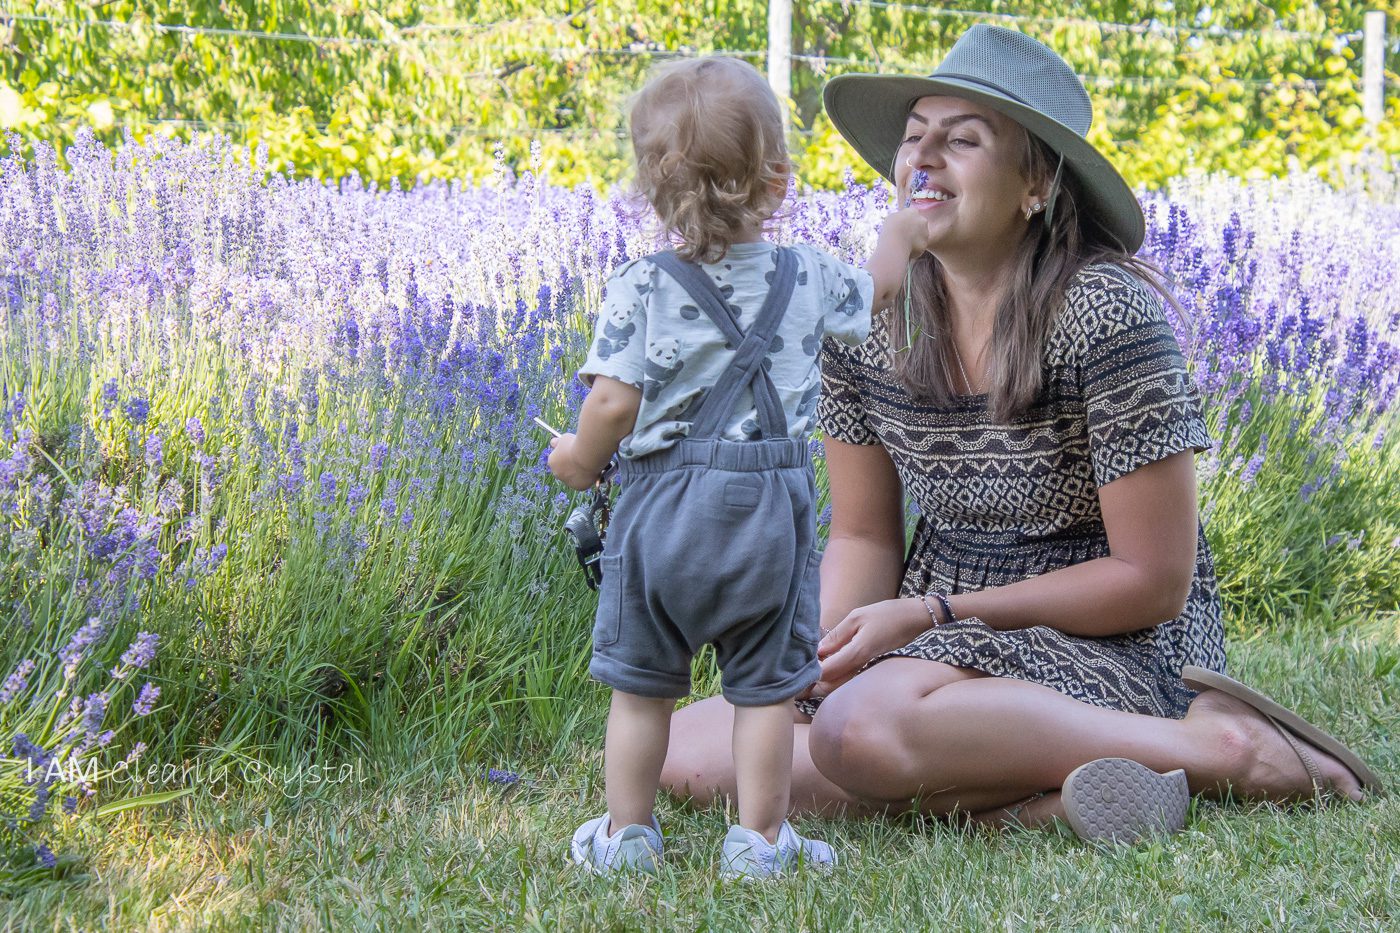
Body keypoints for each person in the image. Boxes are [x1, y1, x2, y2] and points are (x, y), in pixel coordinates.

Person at [659, 25, 1383, 843]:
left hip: (1110, 634)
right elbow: (862, 534)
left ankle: (1219, 746)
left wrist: (932, 614)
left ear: (1035, 181)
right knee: (686, 751)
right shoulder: (863, 318)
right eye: (913, 135)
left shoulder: (1105, 313)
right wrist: (823, 651)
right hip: (932, 636)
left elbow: (1152, 580)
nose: (922, 156)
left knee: (854, 733)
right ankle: (1043, 805)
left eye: (962, 139)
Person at [546, 55, 930, 875]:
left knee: (642, 687)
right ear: (778, 178)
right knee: (763, 688)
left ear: (653, 190)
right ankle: (759, 842)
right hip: (767, 514)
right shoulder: (808, 276)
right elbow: (879, 294)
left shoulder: (639, 285)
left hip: (660, 515)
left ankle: (625, 837)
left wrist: (577, 459)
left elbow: (612, 404)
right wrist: (898, 230)